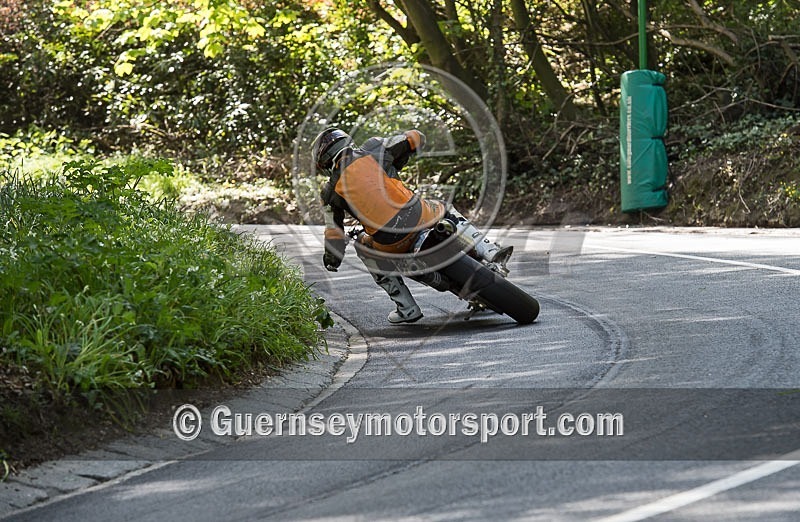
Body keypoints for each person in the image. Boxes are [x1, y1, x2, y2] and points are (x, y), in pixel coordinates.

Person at [312, 128, 511, 324]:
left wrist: (333, 260)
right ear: (346, 141)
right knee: (446, 208)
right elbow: (415, 137)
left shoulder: (330, 192)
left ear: (324, 162)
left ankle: (407, 308)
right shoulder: (374, 147)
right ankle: (490, 250)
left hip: (390, 241)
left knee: (363, 248)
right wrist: (398, 159)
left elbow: (333, 233)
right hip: (420, 215)